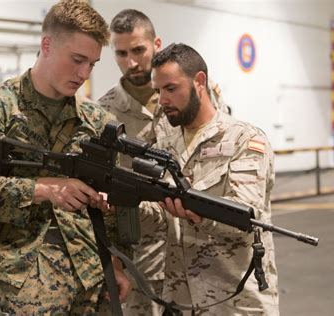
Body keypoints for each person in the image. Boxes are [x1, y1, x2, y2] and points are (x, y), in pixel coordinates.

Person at [0, 1, 130, 314]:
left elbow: (109, 205)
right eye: (77, 60)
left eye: (92, 64)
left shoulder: (97, 121)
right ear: (47, 45)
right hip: (24, 288)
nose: (84, 73)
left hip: (93, 285)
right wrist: (43, 189)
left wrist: (116, 262)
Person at [98, 9, 230, 315]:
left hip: (199, 252)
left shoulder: (195, 97)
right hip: (141, 257)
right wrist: (114, 262)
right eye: (120, 53)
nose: (131, 62)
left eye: (138, 50)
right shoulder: (105, 113)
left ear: (156, 43)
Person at [151, 43, 279, 315]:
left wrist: (192, 210)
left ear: (199, 81)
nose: (162, 100)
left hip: (236, 302)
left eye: (171, 88)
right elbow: (160, 217)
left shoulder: (245, 140)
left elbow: (247, 215)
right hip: (180, 299)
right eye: (158, 90)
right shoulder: (165, 142)